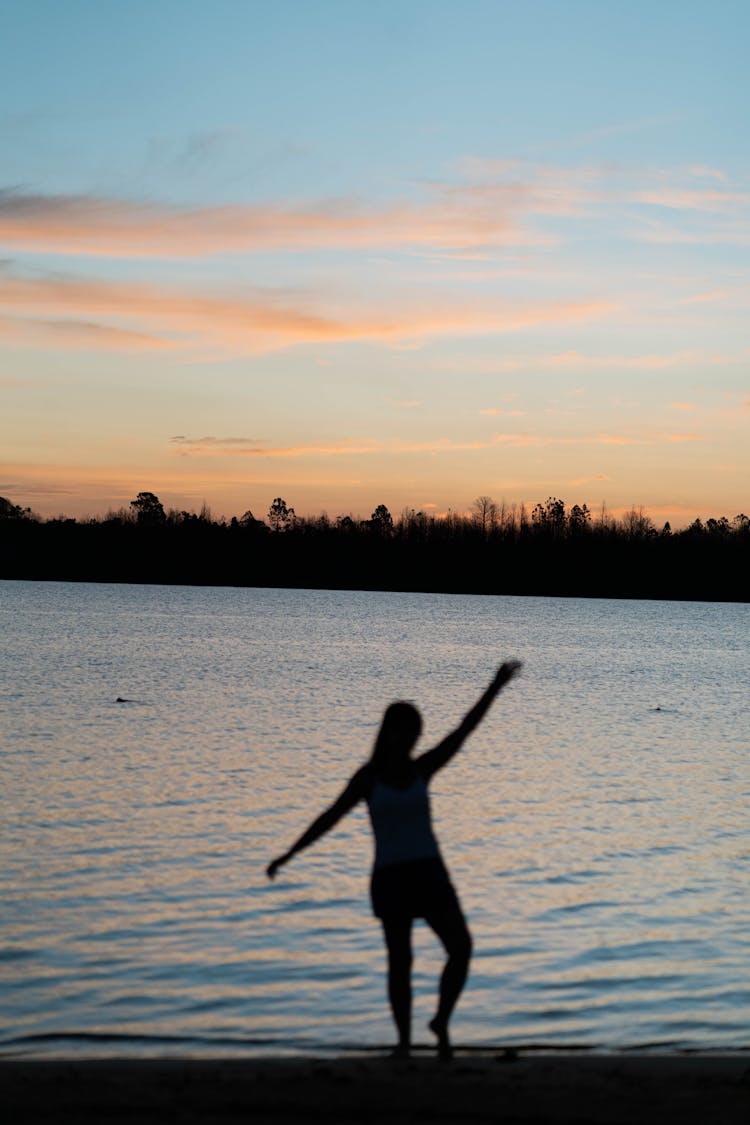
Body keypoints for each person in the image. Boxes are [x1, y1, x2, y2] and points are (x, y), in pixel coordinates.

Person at [266, 660, 522, 1059]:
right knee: (400, 961)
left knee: (461, 947)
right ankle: (403, 1043)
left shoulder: (424, 768)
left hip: (430, 873)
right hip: (390, 878)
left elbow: (463, 731)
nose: (408, 737)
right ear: (387, 733)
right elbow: (330, 816)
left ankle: (440, 1021)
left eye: (414, 731)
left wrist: (495, 686)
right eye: (402, 730)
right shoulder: (368, 778)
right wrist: (291, 853)